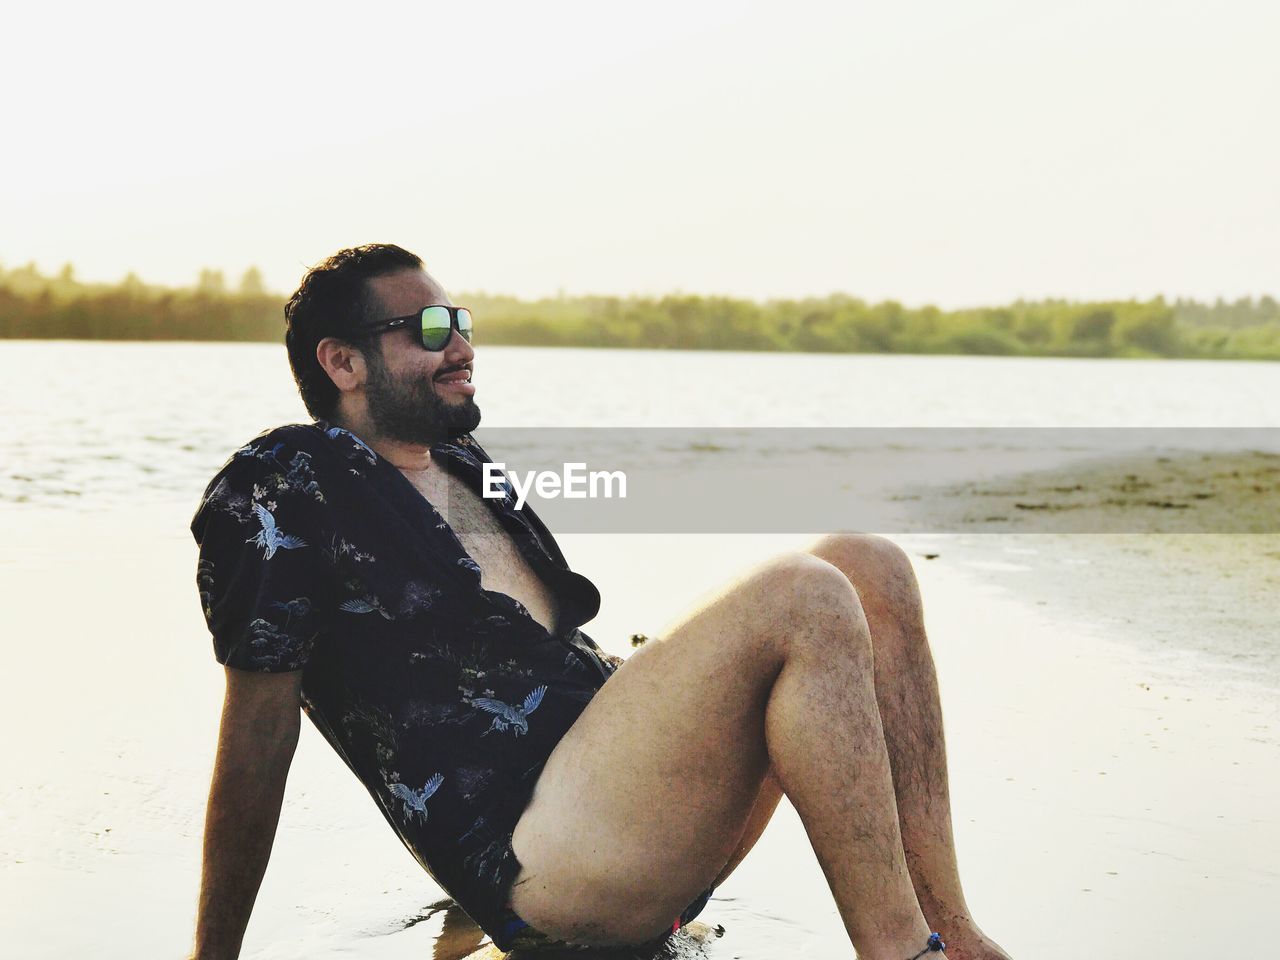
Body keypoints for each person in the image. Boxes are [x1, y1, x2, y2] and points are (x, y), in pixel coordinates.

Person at [186, 243, 1012, 960]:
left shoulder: (463, 463)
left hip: (618, 805)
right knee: (804, 594)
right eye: (429, 331)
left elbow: (536, 653)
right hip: (542, 862)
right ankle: (898, 952)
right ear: (343, 363)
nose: (461, 346)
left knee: (868, 564)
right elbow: (259, 733)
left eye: (461, 321)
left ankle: (953, 932)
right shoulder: (281, 489)